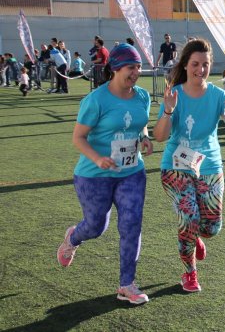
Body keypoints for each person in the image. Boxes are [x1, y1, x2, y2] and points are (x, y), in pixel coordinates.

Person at [56, 43, 153, 305]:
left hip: (132, 172)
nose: (136, 72)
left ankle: (127, 285)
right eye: (130, 67)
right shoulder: (96, 100)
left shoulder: (143, 96)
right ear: (115, 69)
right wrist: (98, 158)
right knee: (96, 227)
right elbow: (78, 138)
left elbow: (139, 125)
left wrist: (144, 138)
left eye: (138, 67)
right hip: (93, 175)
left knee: (131, 224)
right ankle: (73, 237)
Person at [153, 38, 225, 293]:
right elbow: (160, 136)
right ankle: (189, 273)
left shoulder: (218, 96)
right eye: (195, 64)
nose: (201, 69)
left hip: (209, 167)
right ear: (186, 65)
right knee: (188, 217)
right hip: (175, 167)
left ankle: (196, 236)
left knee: (211, 227)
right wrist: (168, 111)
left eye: (205, 64)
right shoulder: (174, 95)